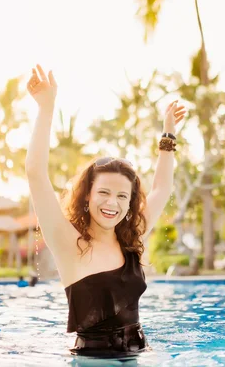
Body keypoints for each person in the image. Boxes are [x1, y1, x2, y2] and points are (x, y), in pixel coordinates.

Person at [25, 64, 186, 357]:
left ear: (130, 204)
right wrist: (46, 107)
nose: (112, 203)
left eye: (122, 196)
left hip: (138, 355)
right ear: (87, 196)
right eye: (104, 193)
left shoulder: (130, 238)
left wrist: (168, 135)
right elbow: (36, 173)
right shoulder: (68, 242)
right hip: (93, 361)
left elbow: (161, 189)